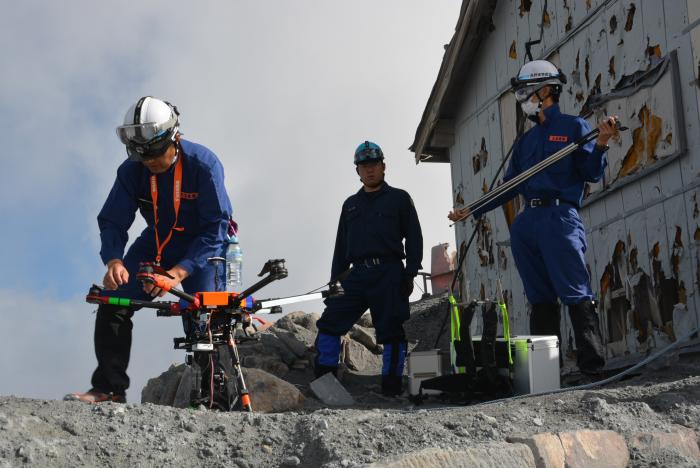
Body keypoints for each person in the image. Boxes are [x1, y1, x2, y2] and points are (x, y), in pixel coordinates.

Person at [448, 60, 618, 375]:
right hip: (527, 223)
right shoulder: (525, 142)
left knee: (574, 289)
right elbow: (508, 188)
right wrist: (472, 209)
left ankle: (592, 365)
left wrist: (603, 143)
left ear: (544, 90)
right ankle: (546, 372)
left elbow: (591, 172)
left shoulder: (573, 128)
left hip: (559, 216)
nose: (522, 98)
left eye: (525, 91)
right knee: (539, 297)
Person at [67, 96, 233, 403]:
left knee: (205, 318)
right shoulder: (131, 171)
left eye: (156, 154)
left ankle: (212, 397)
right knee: (113, 301)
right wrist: (114, 259)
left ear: (175, 138)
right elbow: (113, 220)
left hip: (203, 247)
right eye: (142, 157)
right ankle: (109, 389)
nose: (150, 163)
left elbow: (216, 228)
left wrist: (176, 274)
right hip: (157, 241)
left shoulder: (204, 165)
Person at [314, 141, 423, 396]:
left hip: (390, 272)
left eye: (374, 165)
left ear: (383, 166)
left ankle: (391, 389)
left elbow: (415, 238)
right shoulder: (350, 204)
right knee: (330, 322)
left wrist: (410, 273)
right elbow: (341, 246)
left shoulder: (399, 199)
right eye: (364, 166)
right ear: (357, 171)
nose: (370, 170)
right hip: (357, 274)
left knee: (392, 331)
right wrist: (335, 281)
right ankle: (324, 382)